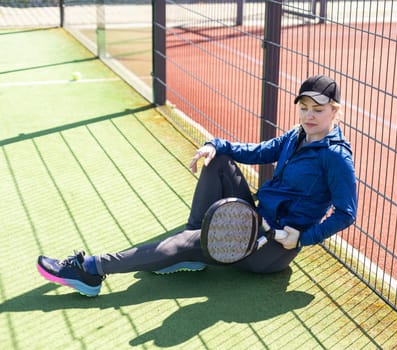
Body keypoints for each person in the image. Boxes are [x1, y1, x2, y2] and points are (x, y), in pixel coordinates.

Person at [36, 74, 358, 297]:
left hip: (271, 249)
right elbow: (258, 151)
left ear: (335, 112)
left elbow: (346, 212)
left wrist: (302, 237)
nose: (309, 115)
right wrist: (214, 144)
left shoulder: (336, 157)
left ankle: (91, 269)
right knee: (217, 160)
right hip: (255, 220)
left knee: (184, 243)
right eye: (304, 107)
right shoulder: (296, 134)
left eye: (318, 110)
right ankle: (193, 244)